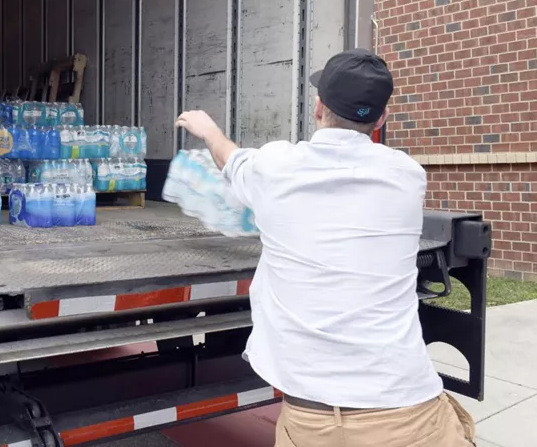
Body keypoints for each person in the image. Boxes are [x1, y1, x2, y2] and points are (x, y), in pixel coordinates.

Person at [175, 48, 476, 447]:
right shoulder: (407, 176)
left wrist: (208, 130)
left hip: (312, 422)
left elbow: (228, 158)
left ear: (318, 108)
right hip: (408, 411)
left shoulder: (275, 167)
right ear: (381, 119)